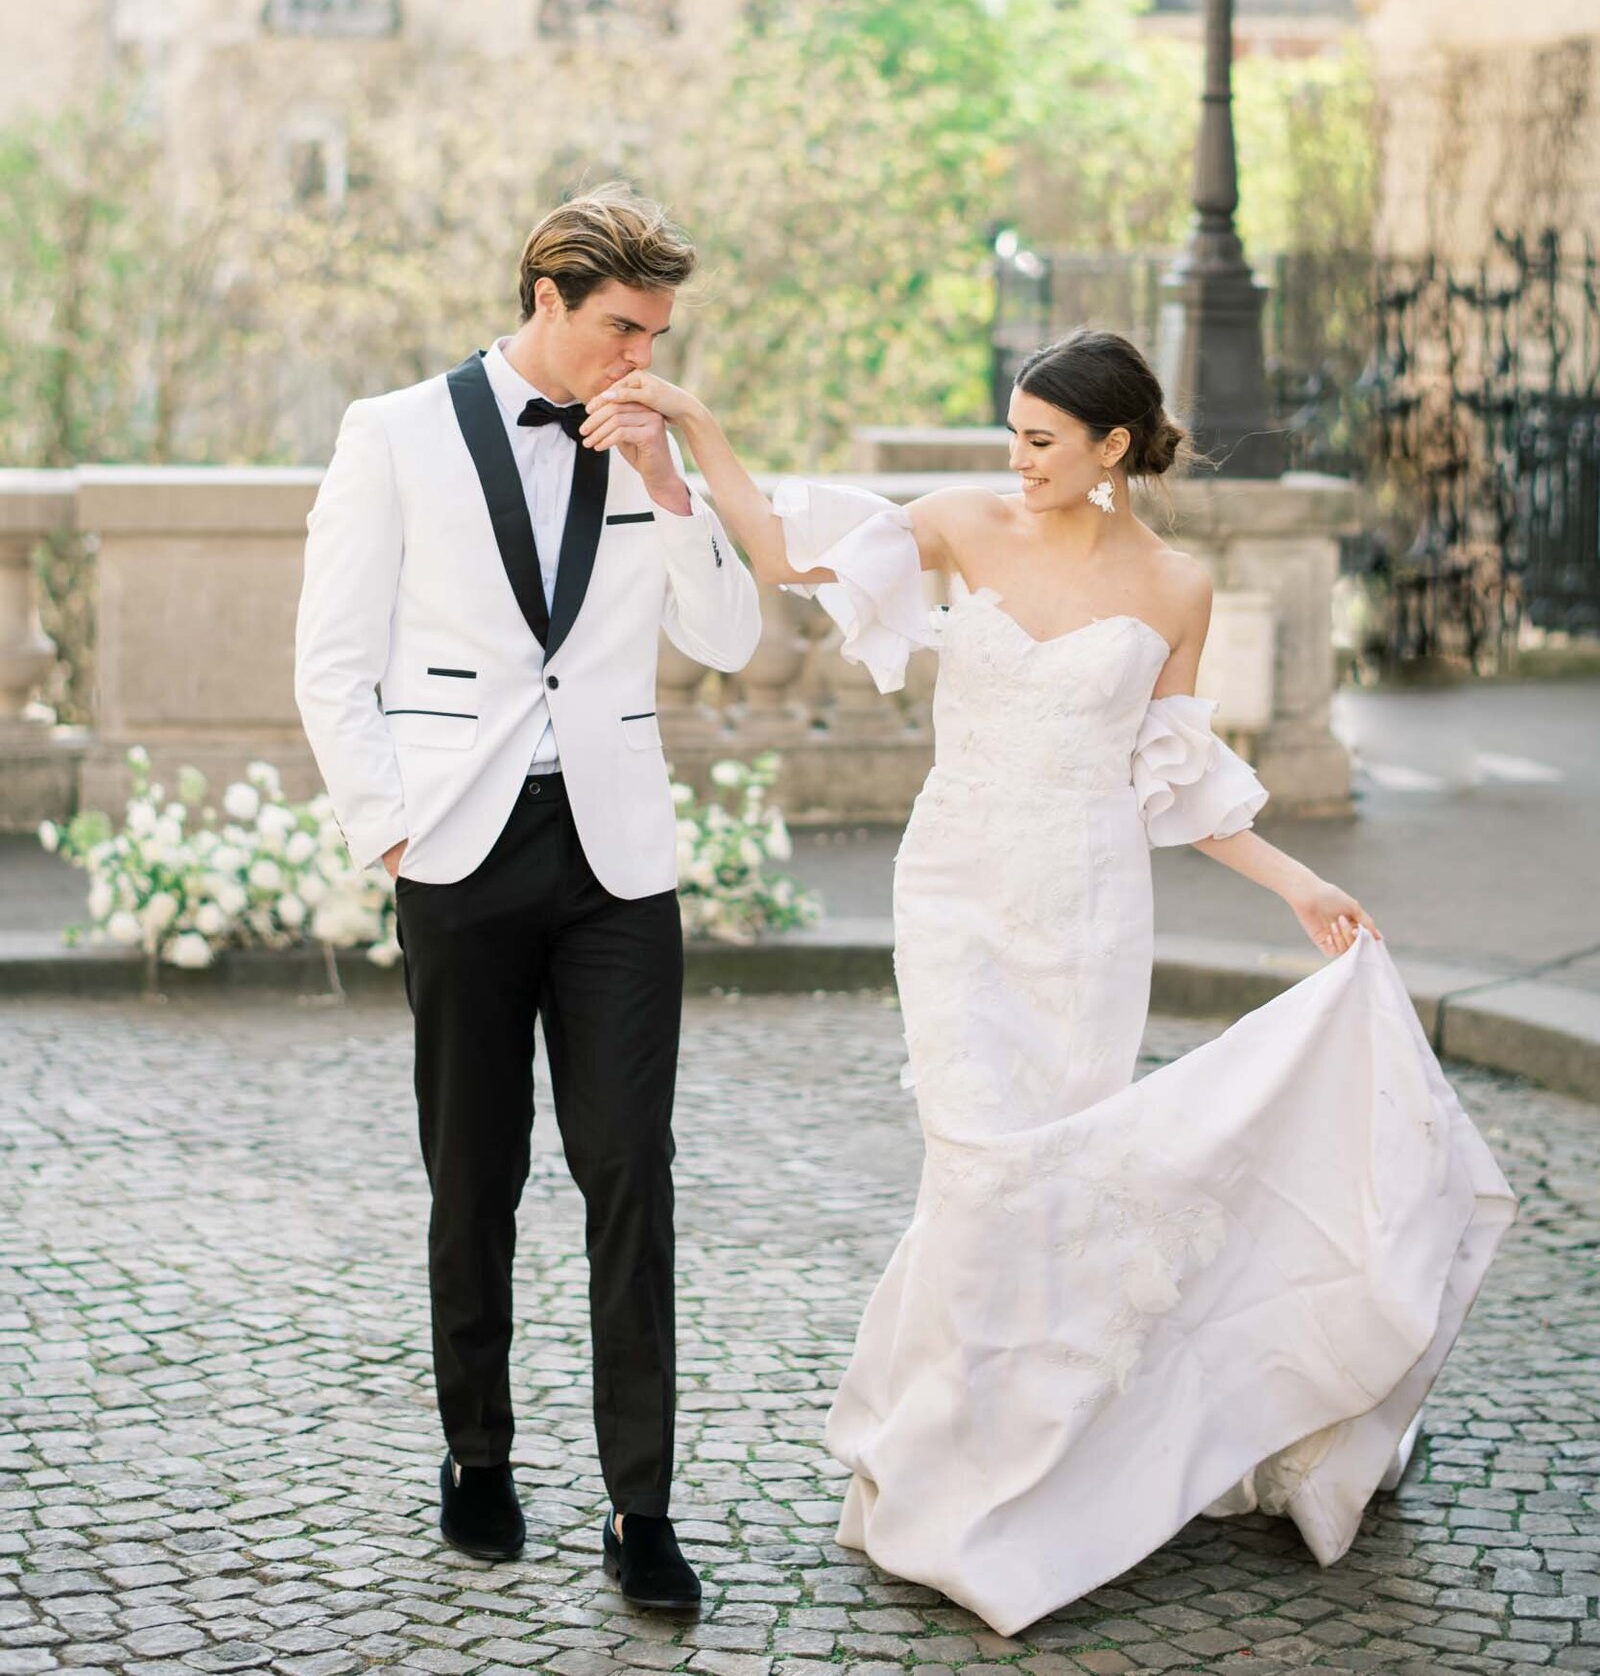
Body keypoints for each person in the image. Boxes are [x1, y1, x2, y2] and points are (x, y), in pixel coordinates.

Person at [585, 329, 1516, 1637]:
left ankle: (1053, 1457)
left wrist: (1298, 883)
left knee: (1060, 1172)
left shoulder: (1177, 587)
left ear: (1112, 449)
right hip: (959, 889)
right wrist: (694, 428)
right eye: (1012, 434)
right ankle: (958, 1480)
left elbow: (1177, 778)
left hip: (1086, 912)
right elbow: (790, 553)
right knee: (977, 1164)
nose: (1014, 461)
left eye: (1040, 440)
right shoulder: (964, 519)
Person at [294, 187, 762, 1614]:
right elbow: (331, 660)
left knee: (631, 1174)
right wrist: (395, 837)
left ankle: (641, 1508)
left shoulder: (652, 440)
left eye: (660, 333)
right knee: (476, 1169)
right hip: (459, 850)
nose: (643, 355)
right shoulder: (394, 432)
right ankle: (477, 1453)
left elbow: (730, 633)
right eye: (624, 328)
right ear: (547, 298)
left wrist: (675, 483)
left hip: (619, 860)